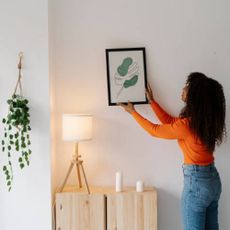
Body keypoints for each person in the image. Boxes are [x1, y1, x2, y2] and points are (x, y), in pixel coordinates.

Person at [119, 72, 226, 230]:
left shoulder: (188, 125)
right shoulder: (200, 123)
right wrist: (152, 102)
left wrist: (133, 112)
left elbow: (155, 130)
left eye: (188, 87)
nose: (183, 88)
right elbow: (170, 122)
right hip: (213, 181)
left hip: (197, 184)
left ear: (195, 96)